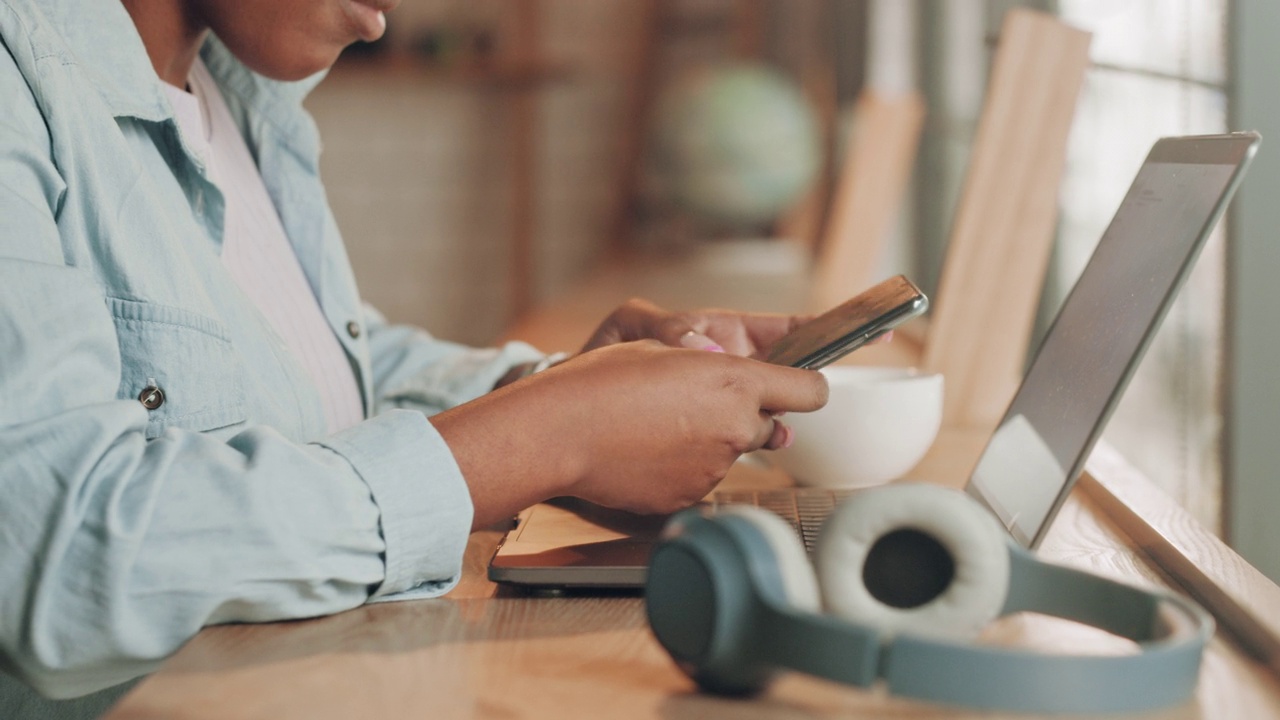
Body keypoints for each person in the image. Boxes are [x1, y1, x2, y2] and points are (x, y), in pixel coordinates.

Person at [0, 0, 830, 714]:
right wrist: (546, 438)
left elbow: (307, 371)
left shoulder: (243, 98)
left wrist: (558, 385)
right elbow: (60, 554)